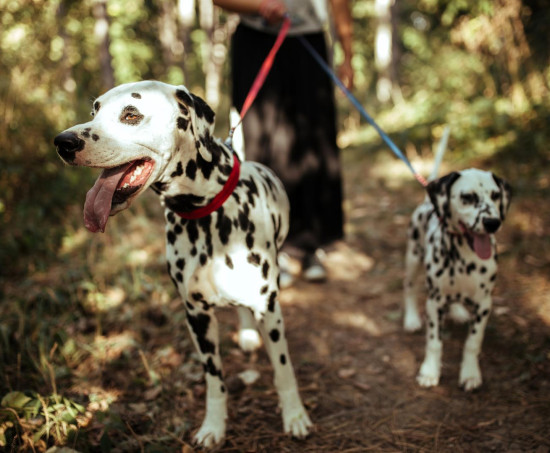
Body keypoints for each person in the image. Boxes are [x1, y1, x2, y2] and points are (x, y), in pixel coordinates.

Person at [213, 0, 354, 284]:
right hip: (256, 40)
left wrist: (347, 55)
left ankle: (310, 244)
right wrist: (259, 6)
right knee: (264, 144)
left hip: (307, 40)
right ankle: (269, 245)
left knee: (313, 143)